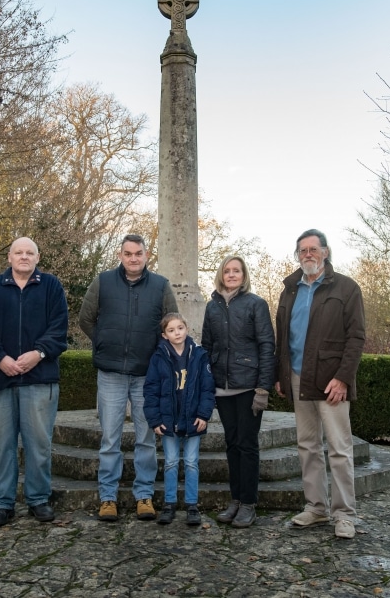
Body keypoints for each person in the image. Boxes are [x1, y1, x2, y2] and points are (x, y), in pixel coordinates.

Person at [79, 234, 179, 521]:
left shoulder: (160, 286)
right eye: (128, 253)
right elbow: (86, 318)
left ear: (147, 255)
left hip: (147, 375)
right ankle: (108, 497)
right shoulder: (103, 281)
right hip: (110, 373)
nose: (133, 258)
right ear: (120, 255)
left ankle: (144, 495)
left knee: (146, 439)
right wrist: (103, 342)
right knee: (110, 439)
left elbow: (172, 322)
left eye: (138, 253)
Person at [274, 229, 365, 539]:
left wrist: (343, 378)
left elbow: (356, 338)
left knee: (339, 448)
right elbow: (282, 338)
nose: (308, 254)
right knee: (307, 446)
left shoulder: (346, 288)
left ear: (326, 252)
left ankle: (344, 515)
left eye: (314, 249)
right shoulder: (289, 289)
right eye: (302, 250)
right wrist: (281, 374)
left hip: (331, 382)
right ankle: (316, 508)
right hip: (299, 378)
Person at [0, 237, 69, 528]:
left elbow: (59, 328)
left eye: (30, 253)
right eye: (19, 252)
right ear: (9, 258)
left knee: (38, 445)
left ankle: (39, 499)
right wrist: (0, 358)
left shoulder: (51, 287)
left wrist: (38, 354)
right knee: (1, 446)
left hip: (39, 380)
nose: (24, 257)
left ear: (38, 258)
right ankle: (2, 504)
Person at [201, 255, 275, 528]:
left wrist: (263, 388)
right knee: (231, 444)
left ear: (244, 276)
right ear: (221, 275)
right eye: (227, 271)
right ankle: (235, 499)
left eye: (237, 271)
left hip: (248, 387)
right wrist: (206, 385)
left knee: (247, 444)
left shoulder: (256, 304)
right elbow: (206, 347)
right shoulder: (212, 307)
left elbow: (267, 345)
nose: (231, 275)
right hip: (222, 387)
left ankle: (248, 503)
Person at [143, 313, 215, 526]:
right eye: (172, 330)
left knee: (192, 462)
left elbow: (207, 388)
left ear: (187, 328)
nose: (177, 333)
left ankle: (192, 504)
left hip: (193, 418)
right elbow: (151, 390)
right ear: (165, 335)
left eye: (180, 328)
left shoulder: (199, 355)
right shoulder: (158, 357)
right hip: (169, 419)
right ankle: (169, 503)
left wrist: (204, 414)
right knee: (171, 462)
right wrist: (155, 420)